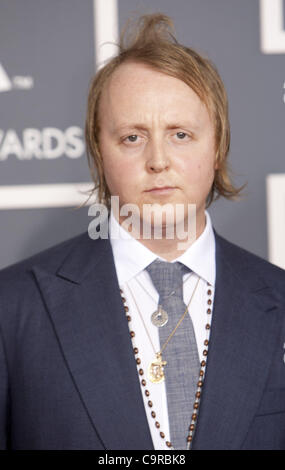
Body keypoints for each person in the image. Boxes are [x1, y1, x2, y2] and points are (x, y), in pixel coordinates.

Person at [0, 13, 285, 451]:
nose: (158, 161)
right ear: (99, 153)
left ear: (218, 146)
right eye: (132, 137)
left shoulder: (278, 300)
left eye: (181, 134)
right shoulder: (13, 308)